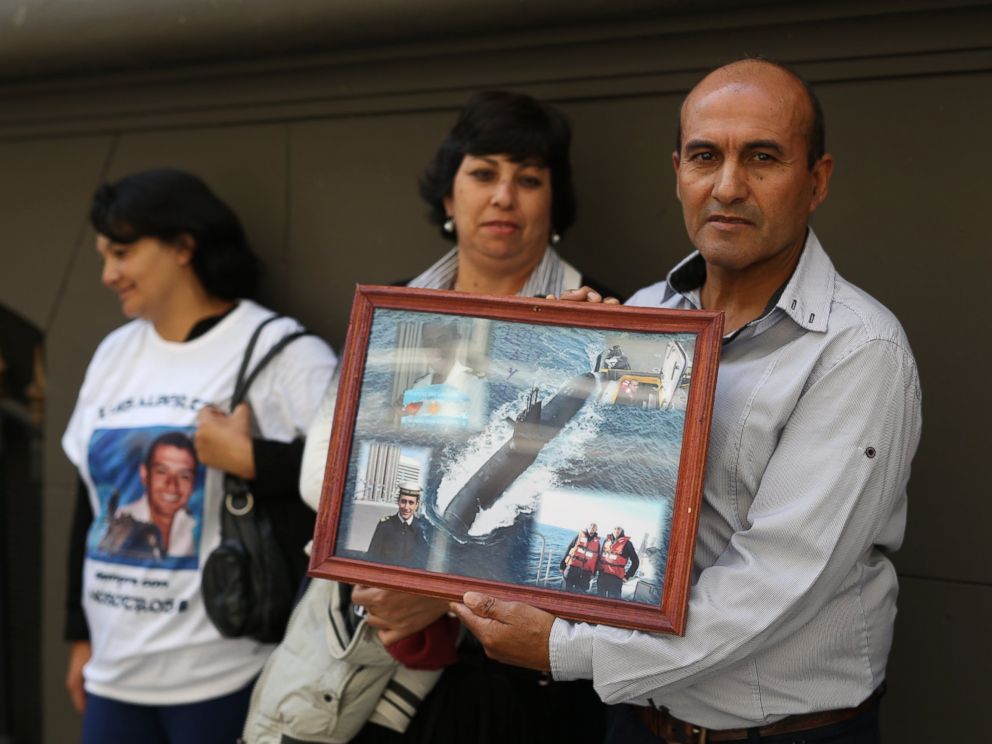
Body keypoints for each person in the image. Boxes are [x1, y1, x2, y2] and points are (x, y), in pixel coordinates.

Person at [452, 59, 922, 744]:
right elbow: (581, 486)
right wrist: (565, 357)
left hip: (784, 732)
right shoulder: (644, 316)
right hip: (637, 721)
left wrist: (567, 650)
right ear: (678, 172)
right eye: (706, 156)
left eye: (763, 158)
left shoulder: (857, 350)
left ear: (816, 180)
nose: (728, 186)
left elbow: (775, 581)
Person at [260, 90, 614, 744]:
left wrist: (437, 586)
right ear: (449, 197)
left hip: (516, 681)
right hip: (373, 648)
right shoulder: (393, 315)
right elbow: (323, 476)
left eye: (528, 179)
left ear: (553, 205)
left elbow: (591, 516)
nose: (504, 196)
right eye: (484, 173)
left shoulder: (603, 326)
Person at [61, 169, 337, 744]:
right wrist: (81, 636)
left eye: (123, 252)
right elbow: (87, 503)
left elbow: (350, 487)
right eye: (103, 255)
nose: (108, 274)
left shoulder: (280, 351)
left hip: (225, 673)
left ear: (183, 246)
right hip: (116, 675)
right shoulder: (115, 352)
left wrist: (253, 459)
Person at [97, 432, 199, 560]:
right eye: (162, 472)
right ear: (145, 474)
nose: (172, 486)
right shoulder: (120, 524)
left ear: (193, 484)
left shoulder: (193, 524)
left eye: (184, 476)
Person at [366, 483, 431, 568]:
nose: (406, 507)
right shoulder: (384, 526)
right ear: (398, 501)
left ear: (417, 505)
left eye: (411, 503)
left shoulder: (423, 530)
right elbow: (371, 558)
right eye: (403, 501)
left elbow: (425, 564)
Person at [596, 526, 639, 599]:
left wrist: (627, 576)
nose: (616, 530)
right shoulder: (606, 541)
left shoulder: (628, 544)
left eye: (619, 529)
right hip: (602, 576)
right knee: (599, 600)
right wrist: (595, 571)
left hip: (616, 579)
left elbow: (636, 561)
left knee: (613, 603)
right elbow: (600, 557)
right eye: (615, 528)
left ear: (622, 530)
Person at [559, 522, 601, 592]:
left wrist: (594, 573)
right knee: (565, 591)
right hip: (572, 568)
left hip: (585, 573)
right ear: (587, 527)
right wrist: (562, 564)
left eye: (594, 528)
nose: (592, 529)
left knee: (580, 593)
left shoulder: (597, 543)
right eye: (590, 527)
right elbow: (570, 548)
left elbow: (596, 558)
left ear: (596, 530)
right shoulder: (579, 536)